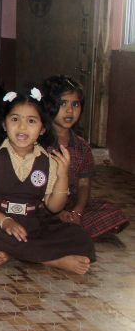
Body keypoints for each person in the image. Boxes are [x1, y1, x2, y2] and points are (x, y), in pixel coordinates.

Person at [0, 86, 95, 274]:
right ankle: (52, 260)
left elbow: (54, 207)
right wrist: (5, 221)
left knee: (79, 236)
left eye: (31, 121)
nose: (22, 127)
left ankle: (15, 251)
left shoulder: (48, 161)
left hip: (33, 222)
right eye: (15, 119)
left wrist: (62, 175)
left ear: (43, 128)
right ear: (4, 125)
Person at [43, 75, 128, 239]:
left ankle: (67, 230)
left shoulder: (82, 146)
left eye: (75, 104)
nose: (70, 110)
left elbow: (84, 184)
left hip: (71, 203)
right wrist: (58, 213)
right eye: (63, 103)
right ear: (49, 106)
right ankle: (65, 231)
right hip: (44, 203)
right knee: (32, 214)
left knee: (112, 213)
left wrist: (78, 211)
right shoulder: (38, 142)